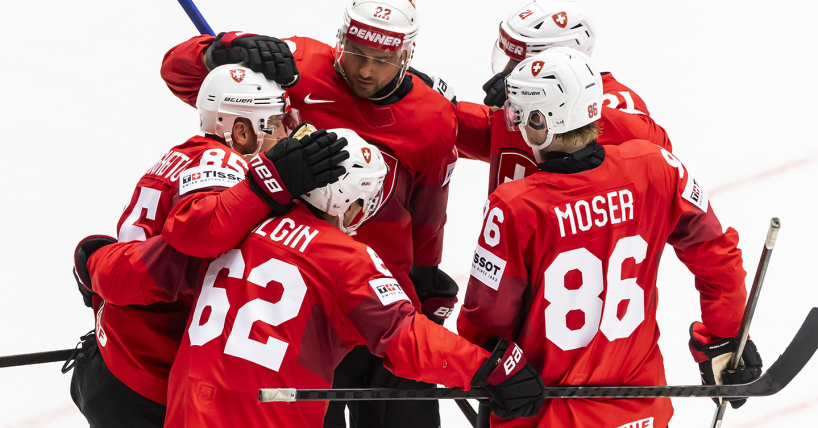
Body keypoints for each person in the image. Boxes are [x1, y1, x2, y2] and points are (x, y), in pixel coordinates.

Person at [83, 131, 547, 428]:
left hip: (186, 411)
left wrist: (95, 258)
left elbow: (133, 272)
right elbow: (403, 337)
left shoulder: (238, 224)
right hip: (266, 417)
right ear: (351, 206)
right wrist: (487, 368)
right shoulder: (343, 257)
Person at [159, 1, 462, 426]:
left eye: (383, 59)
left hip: (380, 294)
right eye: (356, 51)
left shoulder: (431, 117)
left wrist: (427, 281)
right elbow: (180, 75)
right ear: (341, 39)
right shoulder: (298, 64)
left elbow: (430, 215)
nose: (366, 71)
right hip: (297, 299)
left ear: (407, 55)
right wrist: (224, 50)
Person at [456, 48, 763, 428]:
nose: (514, 123)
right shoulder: (657, 167)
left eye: (520, 114)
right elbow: (714, 250)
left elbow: (485, 326)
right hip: (641, 409)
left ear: (542, 121)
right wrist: (725, 335)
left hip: (547, 414)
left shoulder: (516, 206)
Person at [68, 64, 348, 427]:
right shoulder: (221, 160)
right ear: (243, 132)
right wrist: (271, 182)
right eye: (278, 122)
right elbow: (200, 233)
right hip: (147, 382)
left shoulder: (186, 152)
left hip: (116, 359)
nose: (288, 133)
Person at [454, 0, 673, 196]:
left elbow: (660, 151)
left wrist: (571, 104)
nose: (507, 71)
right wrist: (431, 104)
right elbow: (490, 133)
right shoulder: (520, 98)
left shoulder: (616, 100)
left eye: (518, 63)